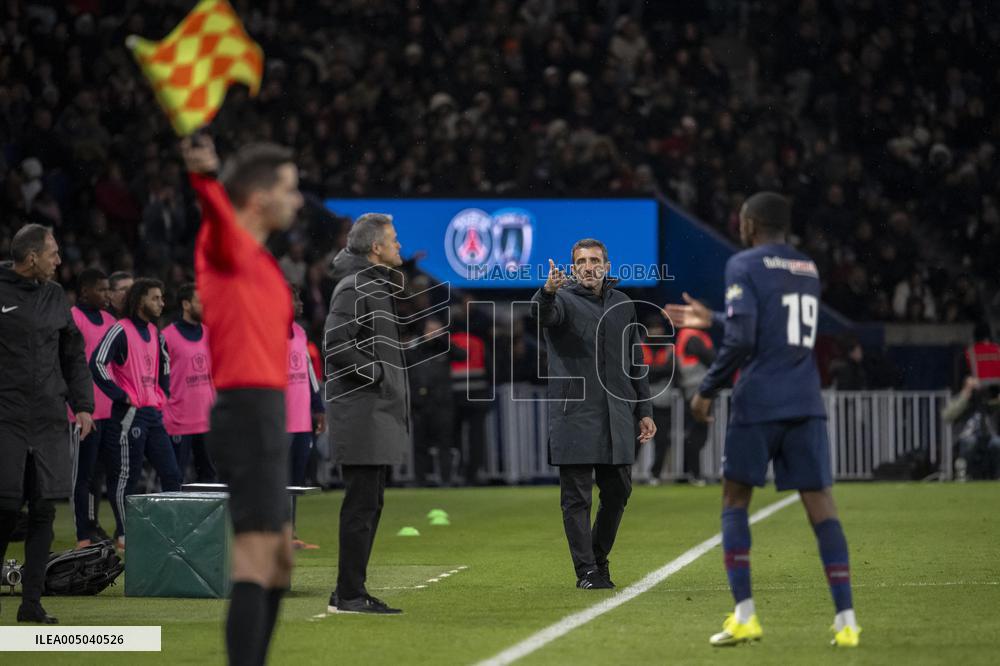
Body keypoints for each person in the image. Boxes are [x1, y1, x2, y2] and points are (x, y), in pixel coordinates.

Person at [664, 192, 861, 648]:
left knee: (734, 501)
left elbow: (743, 338)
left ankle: (745, 615)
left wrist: (707, 389)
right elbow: (772, 323)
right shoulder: (807, 268)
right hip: (805, 399)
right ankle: (847, 620)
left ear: (750, 224)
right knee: (822, 507)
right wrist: (713, 316)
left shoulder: (744, 264)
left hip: (759, 402)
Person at [183, 135, 302, 665]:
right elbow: (214, 208)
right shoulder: (222, 245)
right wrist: (205, 175)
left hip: (268, 411)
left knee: (279, 560)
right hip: (246, 410)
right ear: (258, 198)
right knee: (255, 557)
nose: (297, 201)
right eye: (290, 189)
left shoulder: (261, 261)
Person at [532, 239, 656, 590]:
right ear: (573, 268)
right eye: (582, 261)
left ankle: (598, 558)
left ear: (607, 265)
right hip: (574, 413)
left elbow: (636, 362)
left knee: (618, 491)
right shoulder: (561, 301)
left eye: (595, 260)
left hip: (617, 414)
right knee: (577, 498)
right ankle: (586, 570)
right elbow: (542, 315)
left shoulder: (624, 303)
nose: (589, 266)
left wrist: (644, 410)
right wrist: (546, 292)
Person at [0, 224, 94, 624]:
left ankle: (31, 604)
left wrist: (83, 405)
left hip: (49, 418)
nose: (60, 260)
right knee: (4, 508)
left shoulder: (56, 297)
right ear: (32, 256)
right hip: (6, 415)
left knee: (44, 510)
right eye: (53, 253)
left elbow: (73, 355)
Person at [325, 213, 410, 614]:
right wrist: (376, 374)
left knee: (368, 504)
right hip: (362, 411)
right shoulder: (355, 286)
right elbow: (335, 344)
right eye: (393, 239)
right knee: (361, 505)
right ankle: (350, 594)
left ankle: (348, 589)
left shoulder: (370, 285)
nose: (399, 245)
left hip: (372, 411)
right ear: (375, 247)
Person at [90, 278, 182, 549]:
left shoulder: (156, 333)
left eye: (162, 298)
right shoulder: (120, 330)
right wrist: (120, 395)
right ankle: (124, 533)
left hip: (152, 414)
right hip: (129, 415)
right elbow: (97, 362)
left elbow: (165, 366)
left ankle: (173, 531)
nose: (161, 303)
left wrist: (161, 394)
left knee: (172, 473)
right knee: (126, 476)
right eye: (155, 298)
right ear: (140, 299)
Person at [70, 268, 117, 548]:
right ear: (85, 291)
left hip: (110, 409)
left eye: (108, 289)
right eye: (101, 289)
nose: (107, 294)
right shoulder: (72, 319)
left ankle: (93, 526)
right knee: (83, 475)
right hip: (83, 411)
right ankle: (82, 535)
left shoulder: (111, 321)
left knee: (101, 474)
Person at [161, 283, 216, 483]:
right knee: (175, 478)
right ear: (185, 304)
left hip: (206, 420)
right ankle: (174, 516)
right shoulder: (167, 336)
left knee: (209, 478)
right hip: (178, 420)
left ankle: (207, 516)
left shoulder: (209, 334)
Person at [286, 286, 325, 549]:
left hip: (301, 419)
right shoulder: (265, 333)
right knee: (278, 480)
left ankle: (290, 532)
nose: (300, 304)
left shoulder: (299, 332)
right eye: (294, 299)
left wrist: (318, 408)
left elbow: (309, 374)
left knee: (295, 480)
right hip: (278, 420)